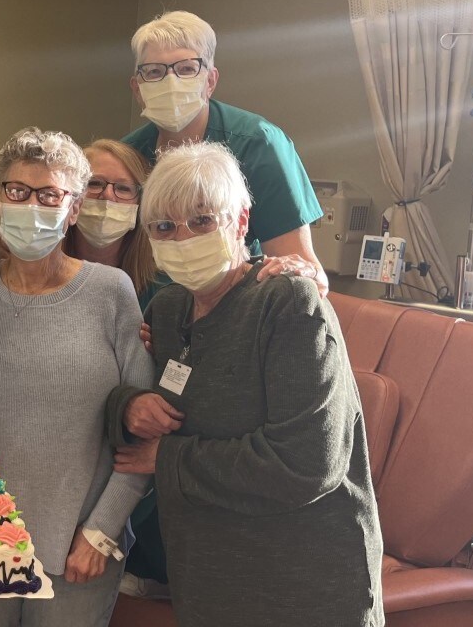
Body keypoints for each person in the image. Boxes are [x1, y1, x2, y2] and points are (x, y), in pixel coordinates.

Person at [108, 142, 383, 626]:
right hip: (207, 577)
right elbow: (145, 394)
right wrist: (129, 406)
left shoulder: (288, 304)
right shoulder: (168, 312)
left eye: (202, 220)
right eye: (165, 227)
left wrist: (169, 459)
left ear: (241, 221)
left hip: (301, 585)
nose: (183, 237)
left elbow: (306, 464)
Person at [0, 128, 153, 627]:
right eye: (17, 191)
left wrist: (102, 531)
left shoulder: (111, 292)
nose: (31, 205)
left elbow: (144, 434)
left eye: (49, 195)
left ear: (74, 208)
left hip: (81, 548)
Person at [122, 10, 328, 293]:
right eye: (154, 72)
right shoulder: (128, 155)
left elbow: (299, 271)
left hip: (234, 310)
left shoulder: (258, 143)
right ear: (137, 88)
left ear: (210, 81)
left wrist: (303, 277)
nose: (170, 82)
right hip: (149, 317)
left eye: (186, 68)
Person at [64, 139, 168, 310]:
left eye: (123, 188)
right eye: (94, 183)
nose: (108, 195)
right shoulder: (41, 276)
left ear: (141, 204)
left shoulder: (162, 288)